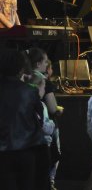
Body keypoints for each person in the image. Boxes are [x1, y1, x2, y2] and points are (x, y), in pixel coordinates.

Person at [0, 49, 44, 189]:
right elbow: (39, 120)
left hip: (3, 153)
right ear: (20, 69)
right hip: (26, 150)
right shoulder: (30, 91)